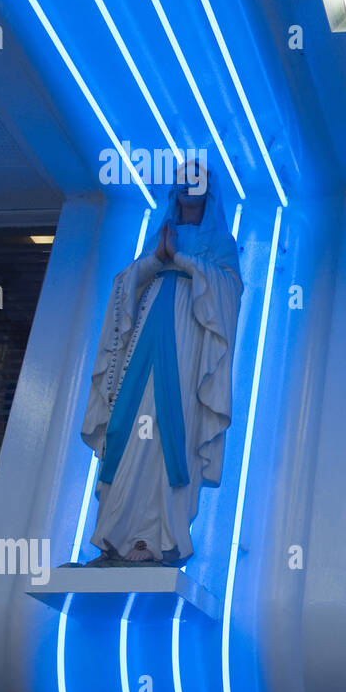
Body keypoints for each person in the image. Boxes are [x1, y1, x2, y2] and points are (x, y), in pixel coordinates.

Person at [79, 162, 243, 565]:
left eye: (198, 180)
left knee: (176, 432)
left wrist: (185, 262)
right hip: (144, 342)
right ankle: (114, 538)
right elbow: (126, 284)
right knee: (126, 428)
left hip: (188, 348)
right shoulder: (160, 236)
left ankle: (162, 540)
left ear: (208, 191)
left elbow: (230, 290)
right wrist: (158, 259)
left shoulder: (221, 243)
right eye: (183, 179)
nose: (189, 186)